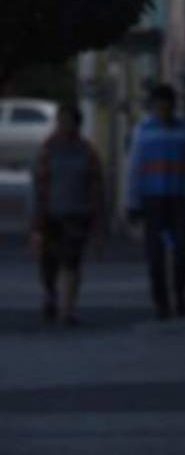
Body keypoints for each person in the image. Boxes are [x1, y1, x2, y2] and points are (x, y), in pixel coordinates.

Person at [124, 84, 185, 319]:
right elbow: (133, 169)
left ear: (173, 105)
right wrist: (132, 202)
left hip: (179, 199)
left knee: (182, 253)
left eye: (166, 104)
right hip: (152, 200)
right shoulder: (142, 131)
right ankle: (161, 301)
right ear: (152, 106)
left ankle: (180, 295)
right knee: (155, 256)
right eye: (158, 104)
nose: (163, 109)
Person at [31, 103, 104, 326]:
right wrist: (36, 220)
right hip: (50, 214)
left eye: (69, 121)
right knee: (49, 264)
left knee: (71, 262)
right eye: (62, 121)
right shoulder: (48, 148)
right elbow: (39, 185)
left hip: (77, 214)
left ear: (77, 124)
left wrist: (97, 220)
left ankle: (68, 309)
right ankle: (51, 295)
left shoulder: (87, 151)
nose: (65, 125)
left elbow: (96, 186)